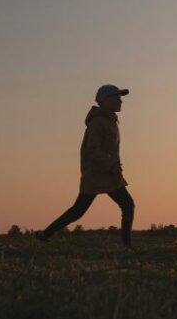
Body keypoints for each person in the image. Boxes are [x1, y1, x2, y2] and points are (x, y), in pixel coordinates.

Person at [37, 84, 135, 248]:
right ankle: (44, 234)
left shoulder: (110, 120)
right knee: (79, 210)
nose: (120, 101)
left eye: (120, 98)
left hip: (109, 173)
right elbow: (93, 150)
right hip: (96, 174)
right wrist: (111, 164)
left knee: (127, 205)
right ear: (104, 100)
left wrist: (113, 166)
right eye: (116, 98)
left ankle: (127, 246)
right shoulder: (97, 122)